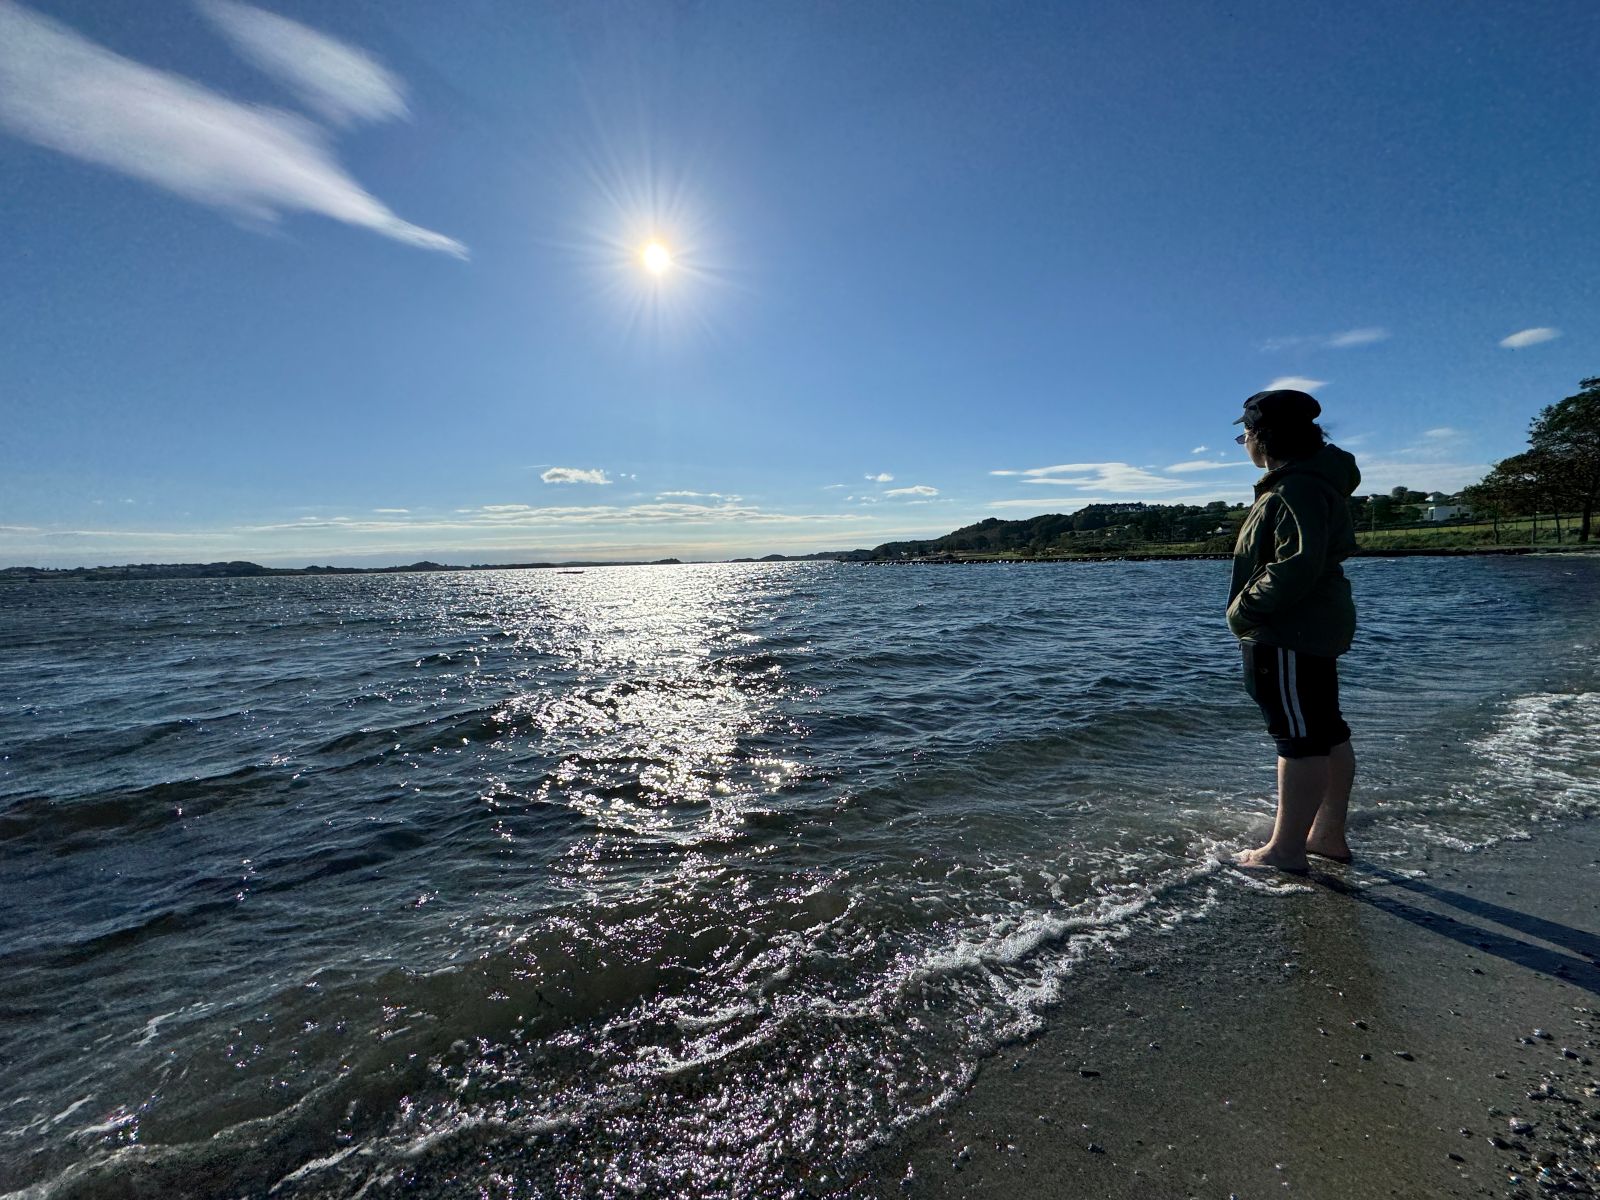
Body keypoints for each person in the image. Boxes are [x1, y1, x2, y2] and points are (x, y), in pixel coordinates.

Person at [1225, 388, 1362, 872]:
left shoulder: (1296, 486)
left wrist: (1243, 611)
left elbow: (1293, 567)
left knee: (1300, 737)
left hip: (1289, 630)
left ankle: (1286, 849)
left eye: (1244, 434)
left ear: (1261, 436)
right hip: (1312, 624)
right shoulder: (1313, 479)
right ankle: (1326, 836)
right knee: (1324, 730)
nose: (1243, 442)